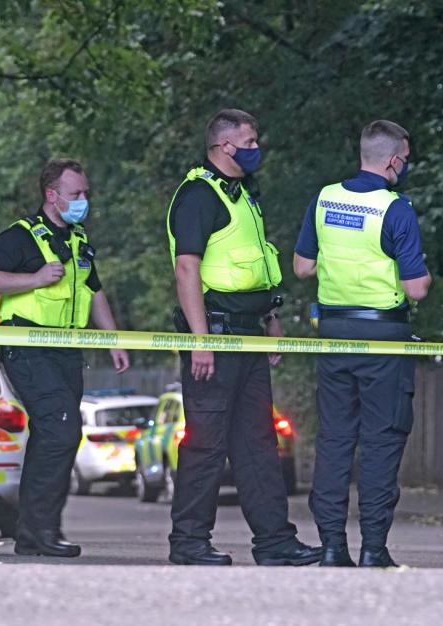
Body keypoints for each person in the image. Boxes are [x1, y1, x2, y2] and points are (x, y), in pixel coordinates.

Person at [165, 108, 321, 566]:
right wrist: (201, 340)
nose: (257, 149)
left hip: (248, 334)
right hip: (214, 334)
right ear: (224, 147)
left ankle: (275, 543)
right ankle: (189, 542)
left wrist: (271, 316)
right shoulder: (198, 194)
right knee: (206, 444)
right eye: (249, 141)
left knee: (258, 444)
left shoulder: (243, 195)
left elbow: (254, 265)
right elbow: (186, 269)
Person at [0, 158, 129, 557]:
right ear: (52, 195)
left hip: (65, 349)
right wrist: (35, 278)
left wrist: (114, 341)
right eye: (76, 194)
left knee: (53, 433)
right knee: (61, 429)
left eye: (85, 193)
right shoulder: (21, 237)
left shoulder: (79, 240)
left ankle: (32, 533)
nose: (83, 200)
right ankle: (42, 531)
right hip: (26, 345)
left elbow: (96, 292)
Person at [293, 120, 431, 568]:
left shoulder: (324, 198)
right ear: (393, 161)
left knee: (334, 440)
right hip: (384, 340)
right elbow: (416, 290)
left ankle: (333, 547)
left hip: (333, 335)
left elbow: (301, 267)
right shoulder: (396, 208)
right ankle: (373, 548)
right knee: (381, 442)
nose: (404, 167)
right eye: (405, 160)